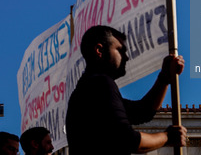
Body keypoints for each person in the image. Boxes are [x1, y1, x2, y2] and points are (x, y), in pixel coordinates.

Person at [66, 25, 187, 155]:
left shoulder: (87, 89)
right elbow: (128, 140)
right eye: (120, 50)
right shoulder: (100, 83)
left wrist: (164, 77)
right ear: (99, 50)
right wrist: (168, 137)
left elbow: (143, 111)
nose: (126, 57)